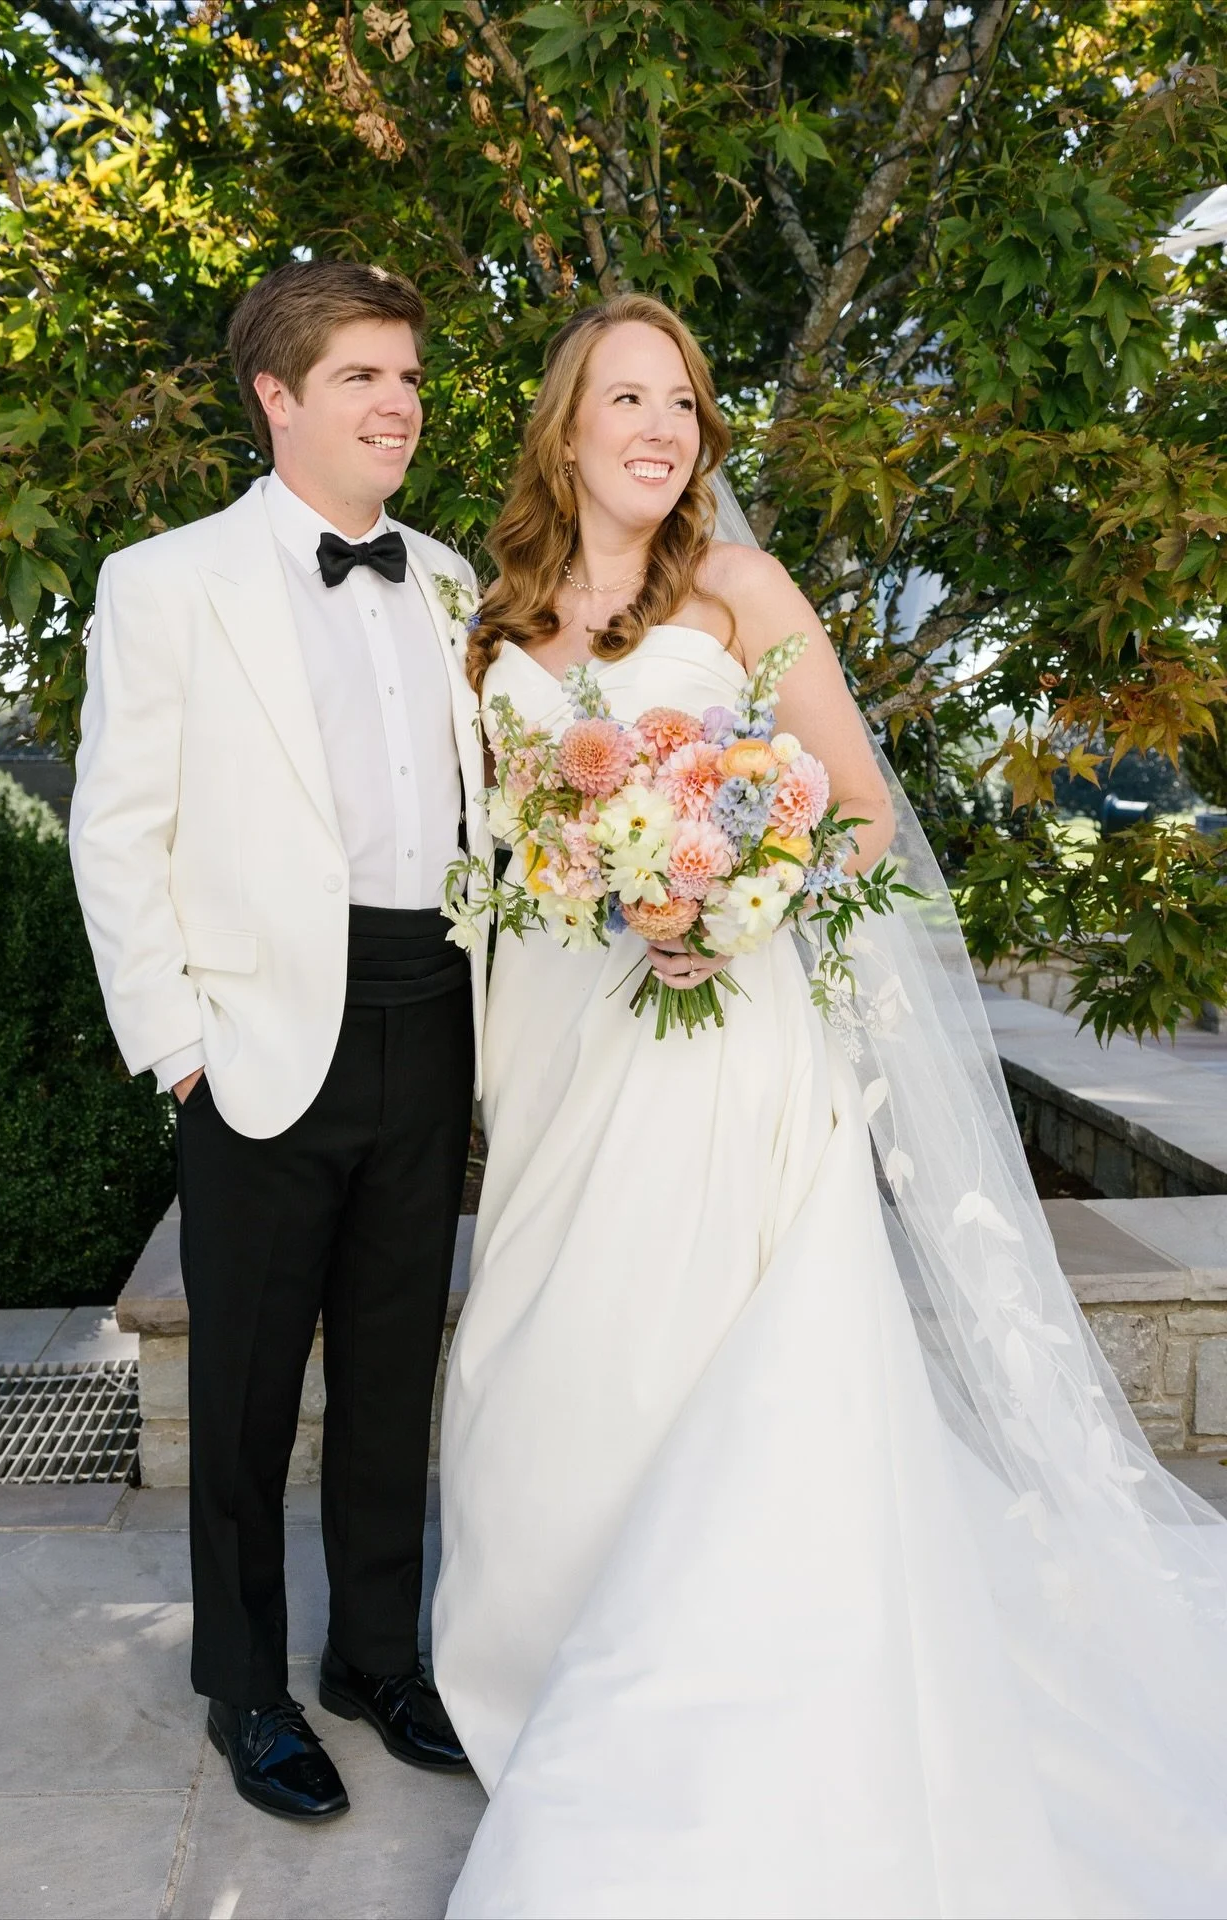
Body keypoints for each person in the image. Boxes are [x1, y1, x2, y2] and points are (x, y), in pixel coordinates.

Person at [432, 292, 1227, 1916]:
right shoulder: (491, 617)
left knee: (718, 1361)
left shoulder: (741, 592)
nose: (659, 426)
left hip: (730, 1041)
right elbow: (503, 853)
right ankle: (541, 1667)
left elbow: (859, 815)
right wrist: (610, 894)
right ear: (566, 425)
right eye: (626, 397)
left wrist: (732, 899)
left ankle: (716, 1725)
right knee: (546, 1364)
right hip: (560, 1051)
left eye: (684, 402)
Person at [70, 259, 487, 1822]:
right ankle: (246, 1687)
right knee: (245, 1388)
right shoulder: (165, 580)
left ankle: (376, 1653)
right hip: (252, 1037)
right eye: (366, 377)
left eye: (410, 376)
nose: (400, 403)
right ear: (279, 396)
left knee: (395, 1367)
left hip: (431, 1007)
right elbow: (118, 829)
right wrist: (174, 1040)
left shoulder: (449, 579)